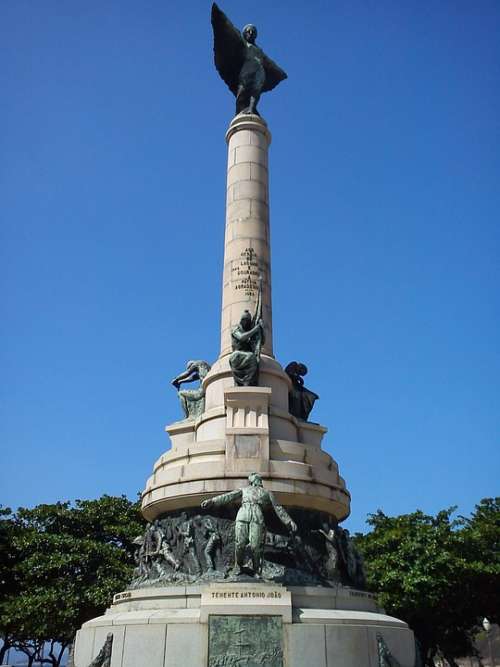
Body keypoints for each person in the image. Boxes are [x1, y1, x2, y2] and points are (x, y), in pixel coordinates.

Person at [201, 472, 296, 576]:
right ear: (252, 481)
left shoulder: (267, 492)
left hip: (257, 518)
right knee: (239, 544)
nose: (258, 480)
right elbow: (228, 496)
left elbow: (278, 507)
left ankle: (256, 571)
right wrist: (212, 501)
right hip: (243, 516)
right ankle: (238, 566)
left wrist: (289, 521)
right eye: (256, 478)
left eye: (259, 478)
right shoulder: (244, 490)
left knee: (256, 546)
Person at [229, 311, 264, 386]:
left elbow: (262, 342)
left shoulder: (248, 331)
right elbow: (242, 337)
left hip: (246, 355)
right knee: (251, 357)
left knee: (253, 358)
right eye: (245, 320)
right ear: (242, 320)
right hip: (236, 355)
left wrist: (261, 330)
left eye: (248, 321)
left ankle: (247, 381)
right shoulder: (235, 329)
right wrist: (255, 329)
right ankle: (244, 381)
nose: (247, 323)